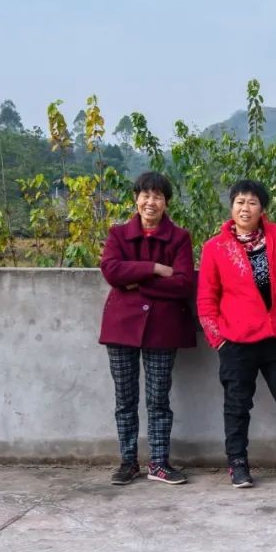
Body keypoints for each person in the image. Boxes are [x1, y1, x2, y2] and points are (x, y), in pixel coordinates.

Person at [196, 179, 276, 488]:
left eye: (252, 202)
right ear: (232, 207)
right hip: (236, 342)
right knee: (237, 408)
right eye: (240, 202)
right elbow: (206, 301)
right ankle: (238, 464)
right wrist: (220, 341)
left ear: (262, 209)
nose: (245, 208)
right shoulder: (215, 248)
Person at [98, 171, 196, 485]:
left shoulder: (180, 238)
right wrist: (153, 269)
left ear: (166, 203)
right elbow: (111, 272)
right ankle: (128, 462)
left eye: (157, 196)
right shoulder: (117, 234)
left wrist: (136, 284)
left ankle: (158, 462)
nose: (150, 202)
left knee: (158, 400)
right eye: (145, 195)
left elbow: (183, 284)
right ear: (136, 199)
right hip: (121, 329)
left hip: (161, 329)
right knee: (124, 399)